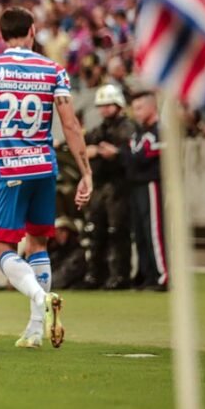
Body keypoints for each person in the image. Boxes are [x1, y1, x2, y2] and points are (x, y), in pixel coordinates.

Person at [0, 6, 93, 349]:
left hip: (9, 168)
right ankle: (35, 330)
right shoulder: (53, 70)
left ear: (1, 34)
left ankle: (40, 297)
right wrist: (85, 172)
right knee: (39, 243)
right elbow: (70, 124)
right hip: (44, 168)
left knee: (3, 248)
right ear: (33, 31)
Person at [82, 84, 136, 290]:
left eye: (108, 105)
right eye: (101, 105)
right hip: (101, 185)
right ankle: (97, 275)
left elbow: (128, 152)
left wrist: (114, 153)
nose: (103, 109)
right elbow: (84, 147)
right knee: (97, 231)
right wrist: (94, 150)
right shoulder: (100, 129)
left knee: (118, 231)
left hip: (119, 185)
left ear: (118, 105)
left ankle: (120, 275)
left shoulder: (127, 127)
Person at [124, 92, 168, 291]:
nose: (136, 112)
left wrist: (126, 155)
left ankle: (163, 275)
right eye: (134, 108)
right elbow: (131, 155)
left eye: (140, 107)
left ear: (152, 107)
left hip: (151, 183)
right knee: (140, 233)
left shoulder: (160, 131)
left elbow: (144, 156)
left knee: (154, 230)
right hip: (135, 184)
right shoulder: (138, 133)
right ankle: (146, 274)